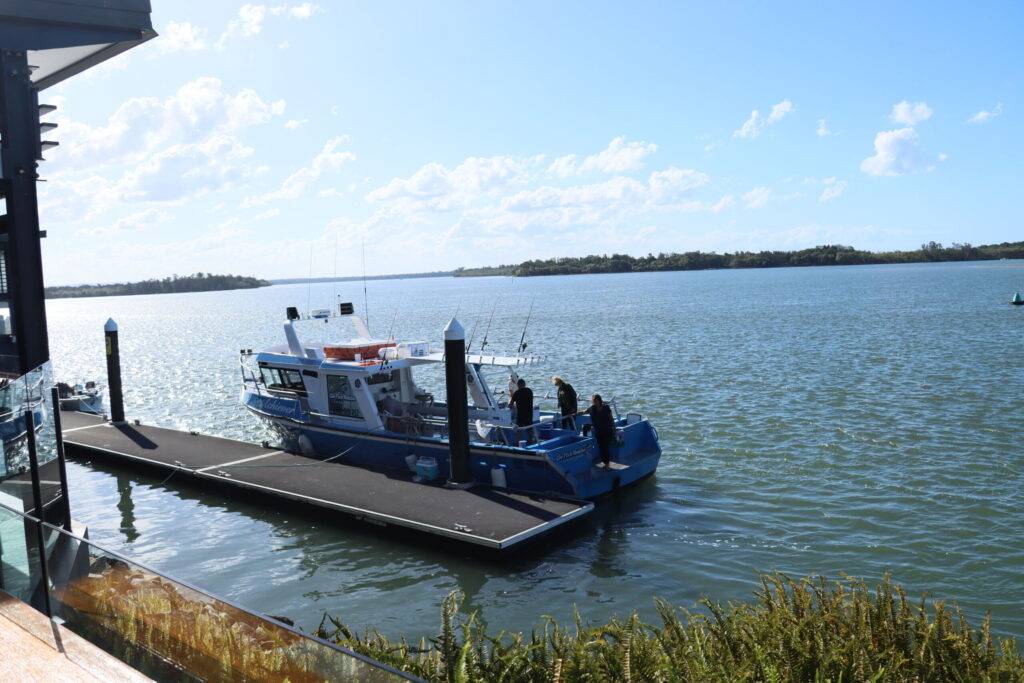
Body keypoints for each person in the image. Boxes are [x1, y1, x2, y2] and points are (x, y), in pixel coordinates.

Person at [585, 393, 616, 467]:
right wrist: (574, 414)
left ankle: (607, 464)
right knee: (601, 447)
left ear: (599, 400)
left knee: (605, 447)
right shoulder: (592, 408)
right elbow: (584, 411)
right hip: (598, 431)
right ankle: (605, 462)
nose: (594, 402)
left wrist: (614, 428)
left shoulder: (606, 408)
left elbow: (611, 418)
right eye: (593, 401)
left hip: (607, 431)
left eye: (596, 401)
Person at [509, 378, 534, 442]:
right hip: (529, 414)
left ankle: (518, 442)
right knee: (529, 429)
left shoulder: (516, 393)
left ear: (518, 385)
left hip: (520, 415)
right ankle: (531, 441)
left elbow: (510, 405)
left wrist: (511, 406)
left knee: (518, 429)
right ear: (524, 384)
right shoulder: (529, 391)